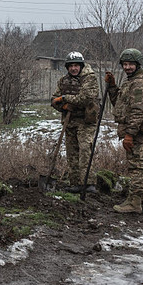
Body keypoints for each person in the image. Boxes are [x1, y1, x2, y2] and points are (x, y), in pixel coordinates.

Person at [105, 48, 143, 214]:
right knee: (142, 164)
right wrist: (113, 87)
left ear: (138, 64)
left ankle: (134, 202)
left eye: (130, 64)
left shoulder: (139, 84)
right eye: (125, 64)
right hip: (136, 129)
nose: (127, 67)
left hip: (136, 131)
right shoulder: (132, 81)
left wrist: (130, 134)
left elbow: (138, 111)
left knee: (136, 166)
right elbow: (120, 105)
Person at [51, 51, 100, 193]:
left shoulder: (89, 79)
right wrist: (63, 105)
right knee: (72, 153)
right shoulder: (63, 81)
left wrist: (66, 98)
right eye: (71, 66)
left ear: (81, 66)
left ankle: (88, 183)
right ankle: (75, 184)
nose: (74, 68)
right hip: (70, 122)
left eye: (76, 65)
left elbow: (85, 98)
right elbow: (54, 100)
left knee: (85, 151)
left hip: (86, 122)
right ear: (67, 67)